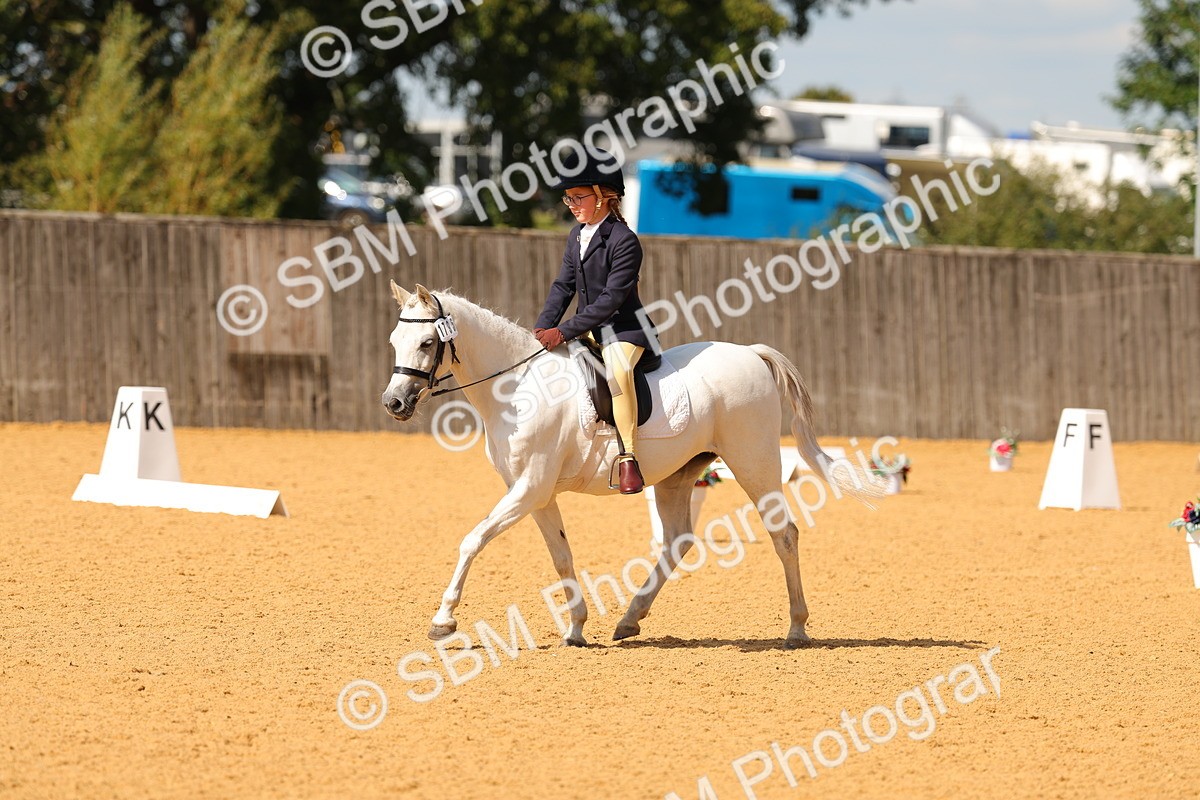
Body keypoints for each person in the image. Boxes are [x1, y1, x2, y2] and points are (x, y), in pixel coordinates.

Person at [533, 149, 658, 494]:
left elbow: (610, 300)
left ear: (603, 196)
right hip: (589, 331)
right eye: (568, 198)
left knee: (618, 373)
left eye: (578, 197)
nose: (571, 204)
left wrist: (564, 330)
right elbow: (564, 286)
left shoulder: (624, 240)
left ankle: (629, 457)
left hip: (626, 331)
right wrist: (541, 329)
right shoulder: (576, 236)